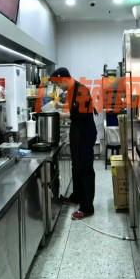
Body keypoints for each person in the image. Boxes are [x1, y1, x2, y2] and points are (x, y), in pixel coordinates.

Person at [50, 67, 97, 219]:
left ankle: (87, 207)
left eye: (58, 84)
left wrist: (61, 115)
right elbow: (74, 106)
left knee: (85, 169)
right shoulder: (72, 90)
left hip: (85, 134)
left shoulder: (81, 90)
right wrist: (60, 106)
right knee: (76, 167)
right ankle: (77, 196)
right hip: (77, 134)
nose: (59, 87)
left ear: (64, 79)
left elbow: (80, 114)